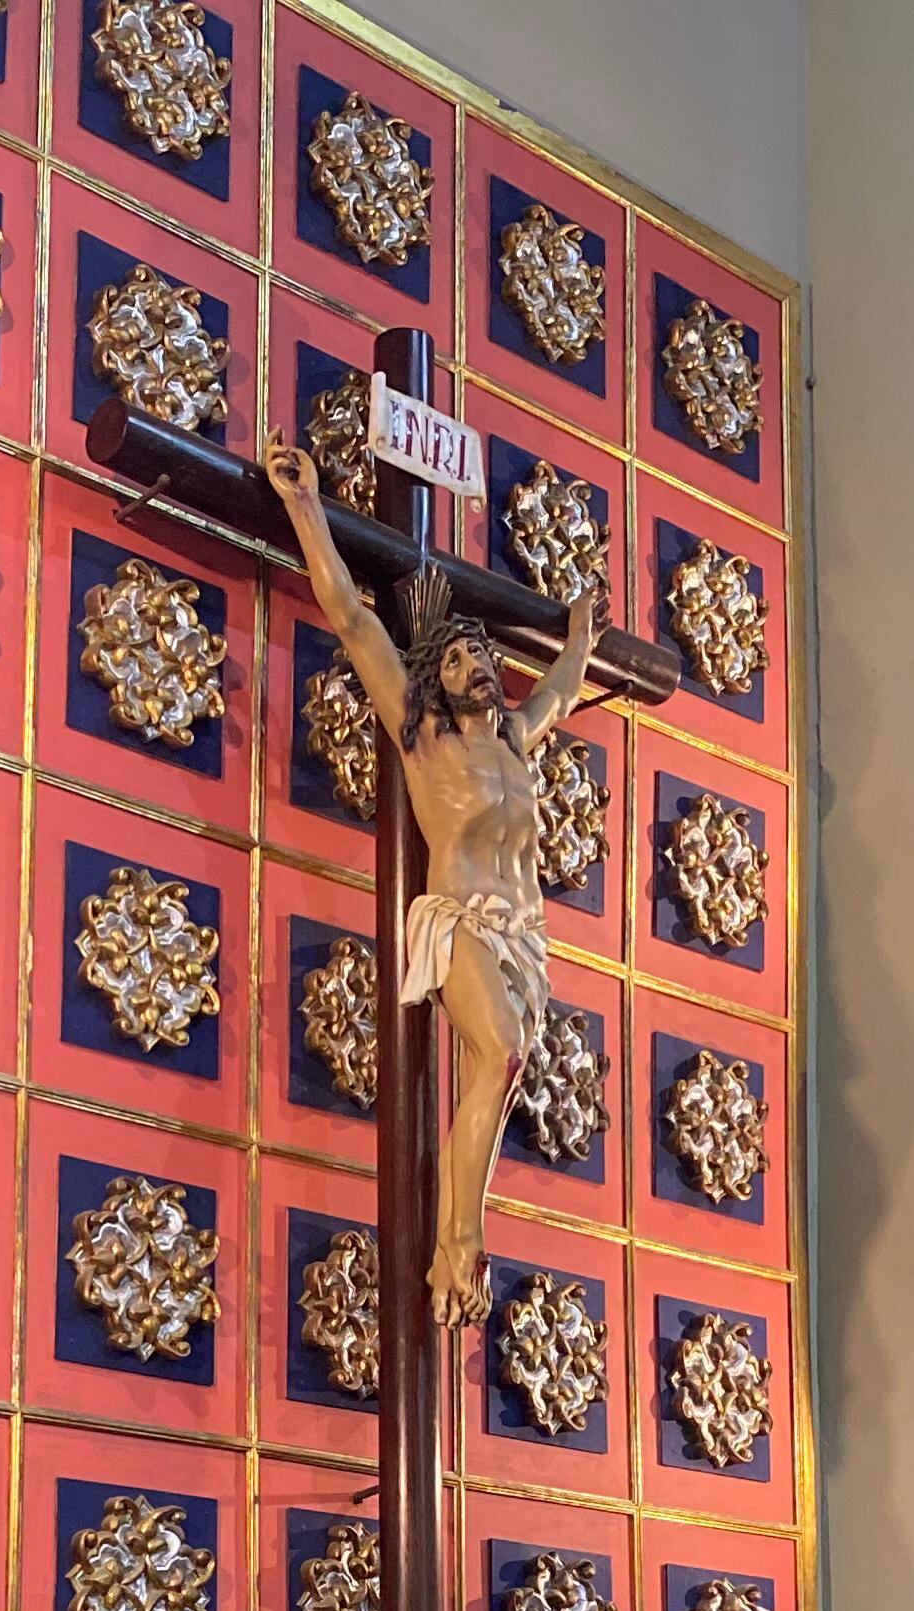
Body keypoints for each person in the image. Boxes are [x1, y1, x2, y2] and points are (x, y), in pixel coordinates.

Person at [255, 432, 601, 1326]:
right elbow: (349, 615)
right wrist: (306, 506)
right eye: (453, 660)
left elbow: (563, 687)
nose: (473, 666)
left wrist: (582, 635)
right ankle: (459, 1243)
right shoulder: (425, 738)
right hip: (457, 920)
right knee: (502, 1054)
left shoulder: (516, 740)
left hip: (524, 938)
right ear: (433, 683)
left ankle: (460, 1236)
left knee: (505, 1071)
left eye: (478, 655)